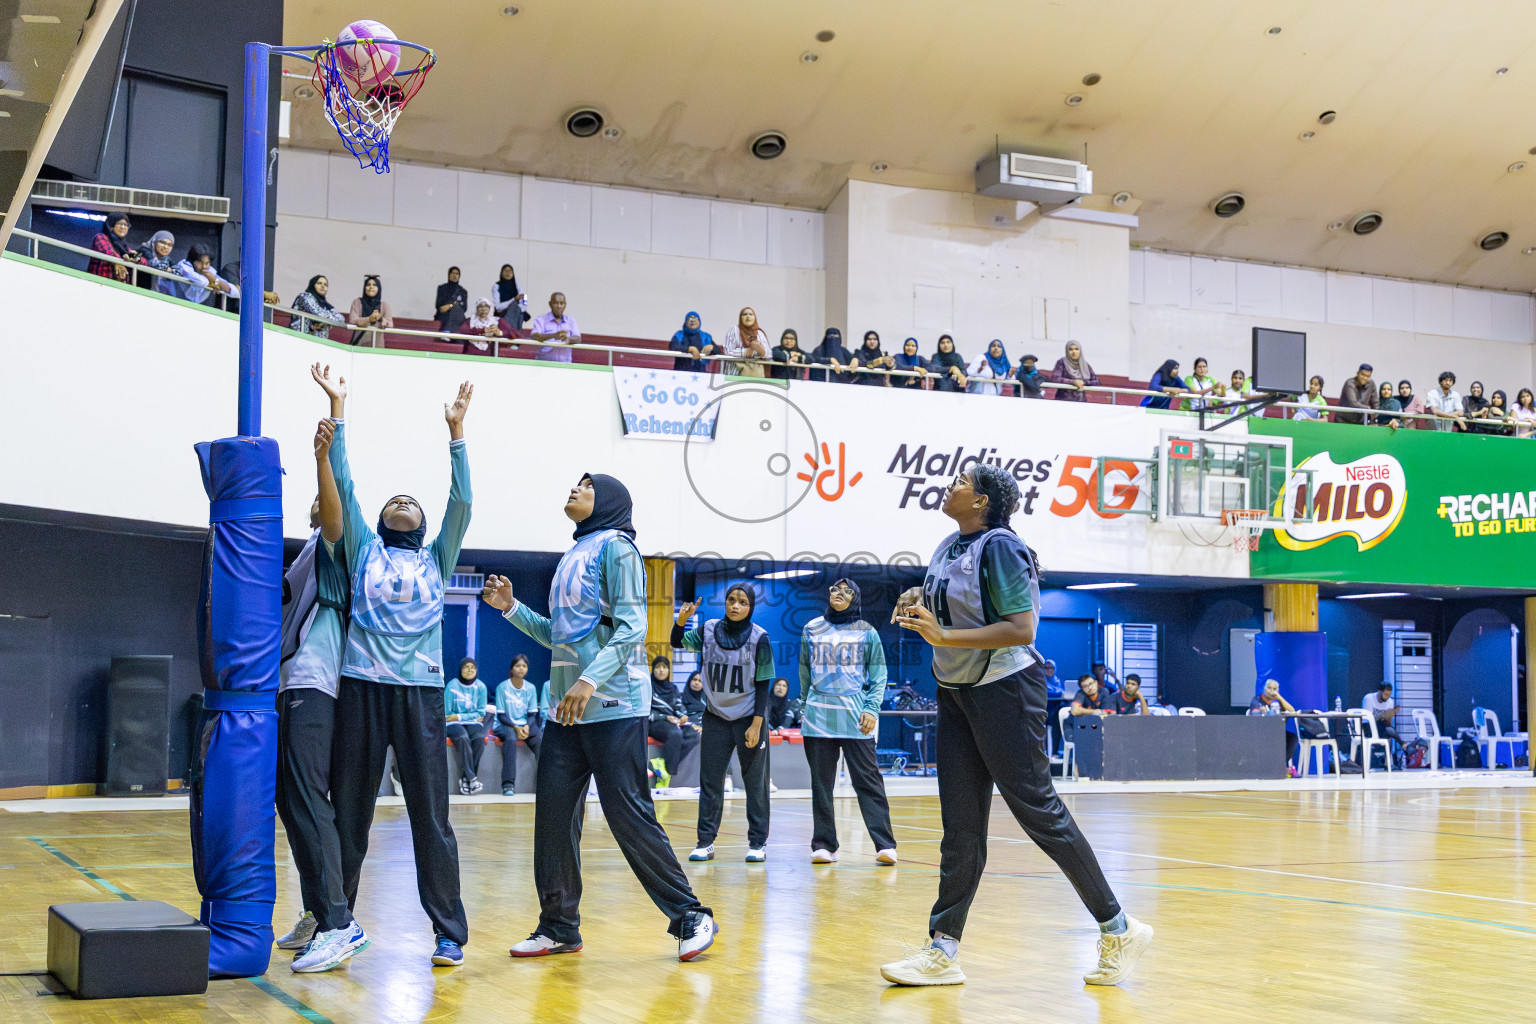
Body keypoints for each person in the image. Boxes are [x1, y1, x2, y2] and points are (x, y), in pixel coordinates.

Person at [882, 463, 1149, 987]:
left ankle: (1118, 928)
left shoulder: (1002, 545)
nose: (952, 485)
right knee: (959, 827)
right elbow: (957, 608)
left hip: (1006, 690)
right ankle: (943, 949)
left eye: (962, 481)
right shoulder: (947, 545)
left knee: (1039, 814)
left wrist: (943, 637)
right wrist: (920, 601)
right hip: (957, 691)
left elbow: (1021, 627)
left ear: (981, 501)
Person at [481, 474, 717, 961]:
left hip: (613, 702)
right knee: (552, 819)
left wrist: (589, 682)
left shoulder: (619, 548)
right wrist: (510, 609)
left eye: (586, 485)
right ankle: (559, 926)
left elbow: (632, 627)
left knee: (628, 814)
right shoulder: (573, 554)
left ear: (607, 501)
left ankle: (691, 914)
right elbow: (559, 636)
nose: (573, 488)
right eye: (573, 483)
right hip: (569, 709)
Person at [312, 362, 474, 968]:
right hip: (362, 689)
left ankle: (448, 931)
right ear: (379, 523)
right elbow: (346, 489)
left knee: (430, 815)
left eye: (412, 500)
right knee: (350, 808)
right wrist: (339, 410)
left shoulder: (438, 555)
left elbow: (462, 501)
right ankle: (337, 920)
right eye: (394, 500)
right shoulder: (362, 551)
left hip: (421, 695)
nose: (402, 501)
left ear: (426, 525)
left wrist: (456, 434)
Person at [273, 425, 368, 974]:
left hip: (317, 684)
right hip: (291, 683)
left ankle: (340, 923)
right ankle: (318, 910)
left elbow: (334, 516)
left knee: (308, 799)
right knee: (292, 801)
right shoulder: (307, 549)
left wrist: (323, 457)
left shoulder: (337, 543)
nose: (319, 498)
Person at [673, 585, 776, 863]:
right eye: (731, 600)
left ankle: (758, 843)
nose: (735, 606)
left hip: (748, 718)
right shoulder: (707, 630)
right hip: (716, 717)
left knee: (755, 784)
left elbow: (764, 684)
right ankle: (705, 842)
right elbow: (676, 642)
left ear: (750, 607)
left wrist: (757, 724)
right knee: (710, 782)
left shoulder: (759, 638)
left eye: (742, 602)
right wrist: (681, 620)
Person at [798, 578, 897, 866]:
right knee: (821, 784)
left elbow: (879, 676)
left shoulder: (867, 632)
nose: (838, 594)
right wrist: (804, 705)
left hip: (856, 717)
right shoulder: (811, 629)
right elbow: (805, 671)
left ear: (855, 597)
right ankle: (824, 845)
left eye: (846, 591)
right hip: (818, 717)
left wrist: (871, 708)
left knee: (867, 780)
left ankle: (885, 844)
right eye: (834, 590)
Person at [491, 654, 543, 796]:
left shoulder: (530, 688)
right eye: (518, 666)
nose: (521, 669)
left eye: (524, 666)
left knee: (540, 740)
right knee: (510, 738)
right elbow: (501, 715)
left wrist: (526, 726)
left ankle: (543, 784)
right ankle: (508, 785)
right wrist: (516, 727)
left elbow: (532, 714)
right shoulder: (502, 687)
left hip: (524, 725)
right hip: (505, 725)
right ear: (512, 669)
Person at [646, 656, 698, 786]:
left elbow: (679, 707)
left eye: (664, 667)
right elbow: (645, 712)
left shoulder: (673, 688)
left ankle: (662, 763)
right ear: (653, 670)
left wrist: (683, 716)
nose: (661, 670)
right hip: (655, 722)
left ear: (668, 670)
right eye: (658, 667)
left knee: (694, 735)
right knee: (675, 734)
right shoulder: (648, 687)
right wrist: (665, 717)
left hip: (672, 722)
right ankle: (669, 773)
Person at [444, 658, 489, 795]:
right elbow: (447, 714)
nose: (470, 670)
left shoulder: (481, 687)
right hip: (452, 724)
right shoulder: (452, 686)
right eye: (466, 667)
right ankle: (472, 779)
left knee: (480, 738)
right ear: (460, 669)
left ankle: (465, 779)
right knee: (462, 737)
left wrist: (458, 716)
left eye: (473, 667)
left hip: (471, 723)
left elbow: (481, 713)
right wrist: (463, 717)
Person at [163, 243, 238, 306]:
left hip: (191, 307)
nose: (204, 266)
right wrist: (212, 282)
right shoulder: (184, 265)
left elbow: (236, 292)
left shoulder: (209, 271)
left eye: (207, 263)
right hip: (169, 301)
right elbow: (202, 282)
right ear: (193, 261)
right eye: (200, 263)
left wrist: (215, 281)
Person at [1248, 679, 1298, 771]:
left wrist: (1280, 698)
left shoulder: (1278, 702)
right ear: (1264, 689)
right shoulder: (1257, 700)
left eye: (1274, 689)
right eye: (1269, 688)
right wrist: (1260, 711)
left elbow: (1292, 711)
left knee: (1293, 738)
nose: (1271, 691)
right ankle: (1269, 767)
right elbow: (1253, 712)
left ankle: (1280, 764)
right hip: (1261, 731)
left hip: (1277, 732)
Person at [87, 211, 144, 281]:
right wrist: (118, 262)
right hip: (99, 283)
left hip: (118, 287)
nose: (123, 227)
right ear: (111, 225)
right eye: (119, 224)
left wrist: (134, 258)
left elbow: (144, 262)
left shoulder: (124, 247)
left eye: (126, 225)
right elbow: (109, 252)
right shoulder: (101, 237)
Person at [528, 292, 582, 363]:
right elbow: (534, 336)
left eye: (561, 303)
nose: (559, 306)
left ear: (565, 305)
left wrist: (568, 339)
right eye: (556, 303)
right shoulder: (541, 319)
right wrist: (553, 335)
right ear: (550, 304)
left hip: (565, 366)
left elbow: (578, 338)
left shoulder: (571, 321)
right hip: (544, 365)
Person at [1362, 682, 1404, 768]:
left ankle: (1387, 762)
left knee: (1389, 731)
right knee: (1389, 731)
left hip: (1382, 729)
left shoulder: (1390, 702)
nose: (1387, 697)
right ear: (1379, 691)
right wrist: (1382, 715)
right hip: (1368, 729)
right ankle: (1404, 745)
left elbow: (1388, 724)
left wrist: (1391, 714)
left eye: (1389, 695)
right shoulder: (1369, 698)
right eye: (1385, 694)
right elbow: (1367, 720)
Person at [720, 307, 770, 377]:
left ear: (755, 317)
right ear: (740, 318)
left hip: (755, 375)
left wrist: (760, 350)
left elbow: (769, 355)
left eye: (751, 314)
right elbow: (728, 351)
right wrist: (747, 351)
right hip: (734, 374)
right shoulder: (734, 329)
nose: (748, 316)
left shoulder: (759, 333)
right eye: (744, 314)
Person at [347, 275, 394, 345]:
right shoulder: (357, 302)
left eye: (374, 285)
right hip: (358, 344)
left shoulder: (384, 305)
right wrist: (369, 319)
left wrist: (380, 319)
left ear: (379, 288)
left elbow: (390, 324)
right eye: (368, 285)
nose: (371, 287)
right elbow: (352, 320)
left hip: (376, 346)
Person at [434, 266, 468, 334]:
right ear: (449, 274)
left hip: (457, 317)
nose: (455, 275)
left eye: (457, 274)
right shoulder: (442, 288)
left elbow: (464, 308)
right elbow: (438, 305)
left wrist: (450, 305)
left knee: (457, 309)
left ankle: (447, 330)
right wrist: (454, 304)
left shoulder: (463, 291)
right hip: (443, 315)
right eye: (452, 273)